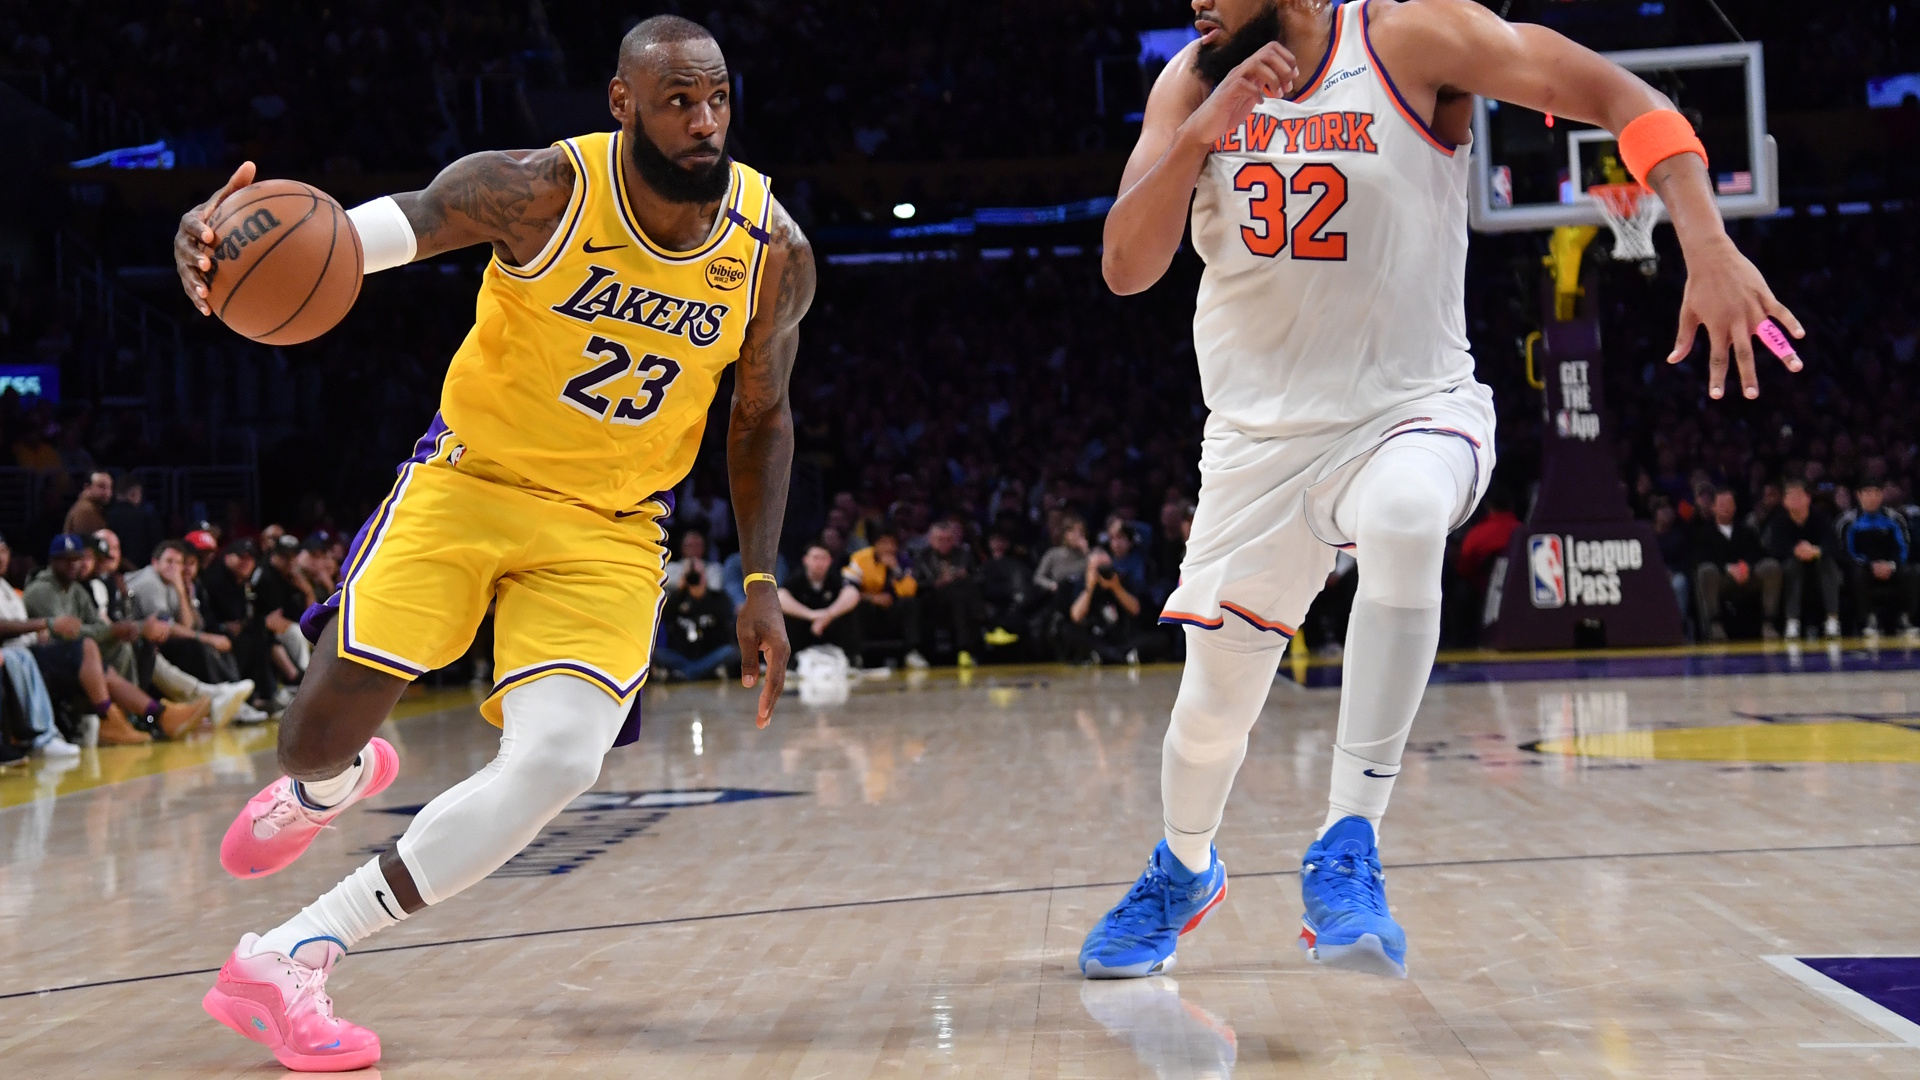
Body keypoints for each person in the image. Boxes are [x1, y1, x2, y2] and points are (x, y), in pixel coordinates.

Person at [1078, 0, 1801, 983]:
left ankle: (1348, 845)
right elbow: (1126, 267)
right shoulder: (1194, 79)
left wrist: (1705, 242)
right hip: (1258, 443)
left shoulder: (1411, 39)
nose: (1191, 0)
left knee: (1409, 517)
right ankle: (1184, 868)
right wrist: (1203, 133)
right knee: (1211, 713)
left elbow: (1617, 94)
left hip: (1411, 408)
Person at [174, 15, 812, 1070]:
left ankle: (295, 952)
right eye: (676, 101)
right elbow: (360, 234)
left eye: (717, 99)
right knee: (308, 742)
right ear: (621, 105)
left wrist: (758, 578)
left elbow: (761, 419)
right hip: (471, 482)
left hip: (609, 527)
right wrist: (220, 235)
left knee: (562, 757)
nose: (703, 123)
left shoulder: (772, 251)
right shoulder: (534, 191)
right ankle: (330, 784)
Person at [23, 534, 209, 740]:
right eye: (65, 559)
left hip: (77, 655)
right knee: (91, 649)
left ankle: (145, 716)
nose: (73, 564)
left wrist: (125, 630)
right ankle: (129, 716)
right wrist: (120, 629)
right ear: (52, 561)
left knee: (125, 645)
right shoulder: (41, 590)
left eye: (76, 558)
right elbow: (67, 634)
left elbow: (96, 625)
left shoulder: (77, 589)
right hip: (52, 655)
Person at [1691, 489, 1783, 641]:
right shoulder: (1703, 534)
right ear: (1713, 507)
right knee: (1705, 571)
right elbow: (1700, 559)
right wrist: (1728, 568)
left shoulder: (1746, 531)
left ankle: (1768, 624)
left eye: (1729, 504)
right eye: (1722, 504)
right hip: (1721, 578)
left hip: (1748, 576)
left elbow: (1758, 554)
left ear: (1735, 506)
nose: (1726, 507)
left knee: (1771, 567)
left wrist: (1747, 566)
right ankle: (1715, 626)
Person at [1761, 478, 1842, 641]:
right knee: (1792, 565)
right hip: (1792, 566)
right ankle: (1792, 621)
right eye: (1791, 497)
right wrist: (1795, 551)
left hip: (1818, 564)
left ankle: (1832, 619)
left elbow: (1832, 544)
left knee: (1827, 563)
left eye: (1799, 496)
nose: (1795, 500)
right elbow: (1774, 548)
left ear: (1808, 498)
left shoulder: (1821, 518)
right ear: (1784, 501)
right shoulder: (1778, 521)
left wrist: (1815, 551)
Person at [1839, 479, 1919, 640]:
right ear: (1859, 495)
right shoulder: (1848, 521)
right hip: (1863, 566)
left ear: (1881, 495)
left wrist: (1891, 565)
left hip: (1892, 566)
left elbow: (1904, 547)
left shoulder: (1895, 518)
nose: (1872, 497)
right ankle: (1868, 621)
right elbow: (1846, 552)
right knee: (1857, 574)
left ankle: (1906, 619)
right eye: (1867, 493)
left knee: (1913, 571)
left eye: (1876, 493)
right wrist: (1870, 565)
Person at [843, 530, 923, 667]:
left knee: (911, 603)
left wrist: (896, 569)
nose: (888, 547)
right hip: (870, 611)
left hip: (894, 611)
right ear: (875, 544)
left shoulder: (904, 560)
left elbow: (910, 591)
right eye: (884, 543)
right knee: (855, 605)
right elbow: (847, 589)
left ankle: (912, 652)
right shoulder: (860, 558)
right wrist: (872, 598)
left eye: (892, 543)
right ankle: (856, 655)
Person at [654, 560, 739, 680]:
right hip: (681, 656)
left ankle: (685, 674)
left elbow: (727, 618)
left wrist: (703, 596)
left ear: (705, 576)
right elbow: (662, 617)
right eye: (690, 576)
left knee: (729, 652)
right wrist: (679, 591)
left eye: (698, 575)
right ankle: (704, 674)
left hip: (710, 654)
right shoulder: (676, 598)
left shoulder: (718, 598)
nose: (694, 579)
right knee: (656, 654)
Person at [912, 520, 981, 665]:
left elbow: (978, 578)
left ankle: (965, 650)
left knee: (961, 595)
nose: (944, 543)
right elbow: (916, 584)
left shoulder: (964, 554)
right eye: (940, 540)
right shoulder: (921, 556)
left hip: (960, 599)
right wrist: (937, 583)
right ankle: (966, 649)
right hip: (933, 601)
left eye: (948, 540)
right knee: (958, 595)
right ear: (931, 540)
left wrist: (963, 576)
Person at [779, 542, 862, 659]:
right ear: (805, 560)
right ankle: (789, 661)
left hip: (829, 627)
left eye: (824, 558)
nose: (819, 563)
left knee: (849, 615)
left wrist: (828, 616)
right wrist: (812, 615)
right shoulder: (796, 579)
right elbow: (780, 596)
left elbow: (852, 594)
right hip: (804, 628)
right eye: (815, 558)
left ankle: (852, 658)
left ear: (830, 561)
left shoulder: (835, 578)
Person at [62, 470, 112, 536]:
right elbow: (90, 543)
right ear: (87, 487)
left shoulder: (92, 508)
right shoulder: (85, 511)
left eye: (110, 487)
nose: (108, 492)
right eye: (101, 487)